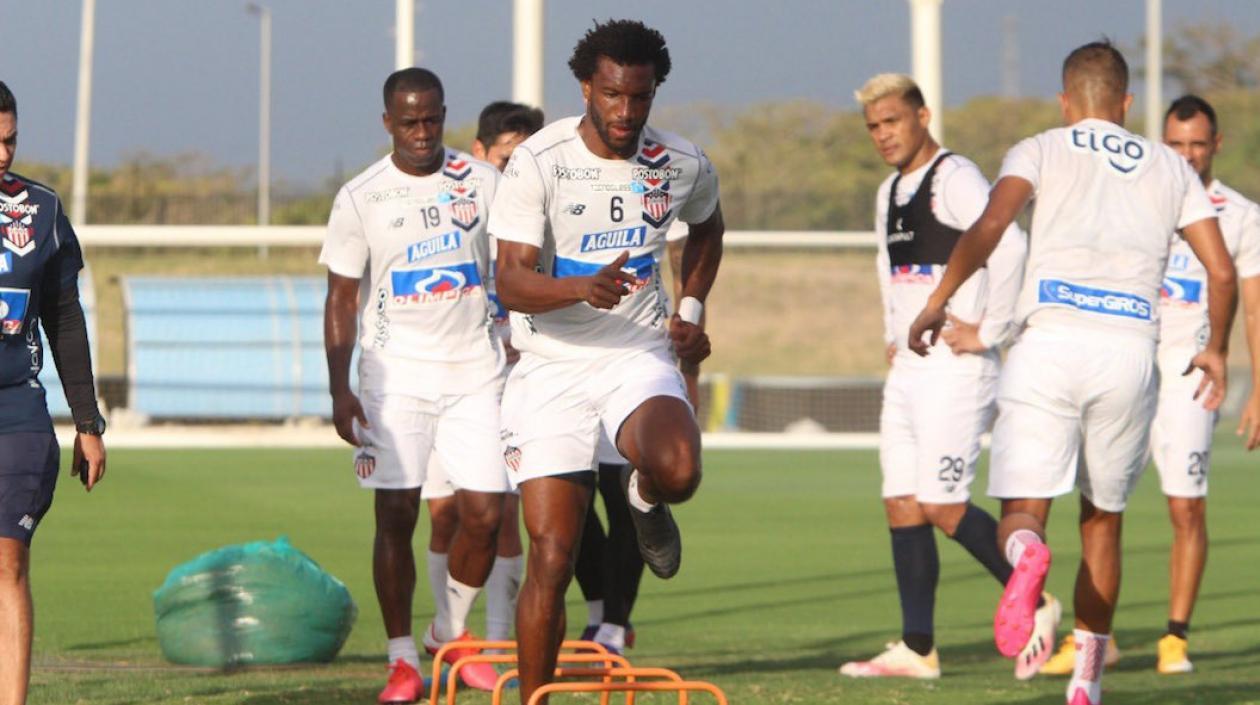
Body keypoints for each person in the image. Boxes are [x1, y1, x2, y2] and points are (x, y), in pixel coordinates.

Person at [908, 41, 1237, 705]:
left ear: (1066, 103)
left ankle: (1027, 552)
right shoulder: (1170, 168)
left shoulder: (1040, 147)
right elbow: (1223, 270)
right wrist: (1217, 348)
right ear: (1124, 103)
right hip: (1128, 352)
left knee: (1025, 511)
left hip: (1048, 344)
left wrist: (939, 300)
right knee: (1103, 522)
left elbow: (992, 223)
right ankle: (1087, 678)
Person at [489, 19, 723, 704]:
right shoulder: (539, 160)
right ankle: (536, 696)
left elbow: (708, 226)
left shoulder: (680, 162)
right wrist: (576, 287)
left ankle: (644, 496)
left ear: (654, 93)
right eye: (613, 95)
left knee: (680, 470)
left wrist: (692, 310)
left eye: (640, 98)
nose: (626, 113)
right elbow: (509, 279)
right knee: (553, 559)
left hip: (634, 355)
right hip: (550, 365)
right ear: (587, 86)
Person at [838, 73, 1050, 681]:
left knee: (941, 503)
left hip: (957, 367)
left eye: (892, 122)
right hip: (910, 366)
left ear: (923, 116)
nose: (883, 135)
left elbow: (1008, 244)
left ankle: (1034, 600)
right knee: (902, 502)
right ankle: (918, 648)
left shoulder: (955, 177)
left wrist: (992, 329)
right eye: (873, 126)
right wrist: (890, 328)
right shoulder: (888, 191)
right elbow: (887, 264)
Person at [1040, 94, 1260, 678]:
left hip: (1191, 377)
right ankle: (1096, 637)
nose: (1186, 156)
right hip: (1127, 363)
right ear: (1161, 143)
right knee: (1099, 503)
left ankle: (1174, 637)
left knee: (1186, 504)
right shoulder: (1139, 194)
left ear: (1215, 145)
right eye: (1176, 144)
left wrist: (1258, 387)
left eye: (1197, 144)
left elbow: (1254, 307)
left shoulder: (1240, 215)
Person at [320, 68, 509, 704]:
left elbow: (516, 266)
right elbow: (341, 296)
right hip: (394, 375)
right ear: (387, 123)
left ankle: (449, 635)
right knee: (395, 514)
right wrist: (339, 387)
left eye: (432, 120)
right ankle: (402, 658)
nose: (423, 133)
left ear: (444, 114)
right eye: (409, 123)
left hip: (476, 370)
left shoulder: (484, 183)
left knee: (485, 514)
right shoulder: (361, 195)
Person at [419, 100, 543, 656]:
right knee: (445, 516)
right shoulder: (457, 207)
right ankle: (451, 630)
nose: (515, 172)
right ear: (481, 155)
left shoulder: (535, 218)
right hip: (442, 379)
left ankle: (494, 643)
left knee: (502, 514)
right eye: (507, 159)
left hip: (508, 384)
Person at [0, 79, 108, 705]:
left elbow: (64, 319)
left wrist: (88, 422)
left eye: (10, 140)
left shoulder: (39, 211)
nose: (4, 154)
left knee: (7, 560)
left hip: (15, 411)